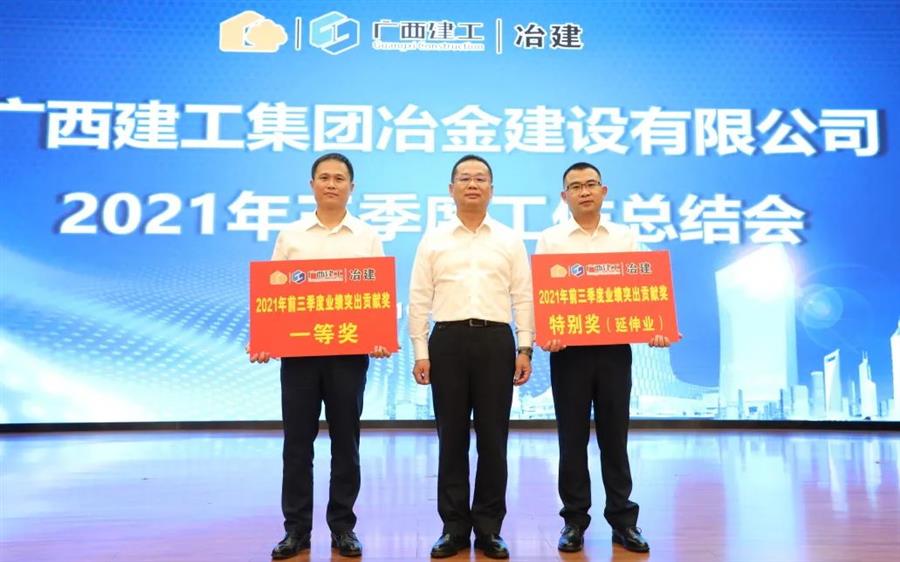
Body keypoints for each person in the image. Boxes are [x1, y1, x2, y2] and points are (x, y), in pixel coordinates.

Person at [247, 153, 392, 559]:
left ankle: (343, 528)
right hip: (300, 357)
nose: (331, 184)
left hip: (348, 355)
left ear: (351, 187)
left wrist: (380, 336)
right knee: (297, 445)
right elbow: (273, 294)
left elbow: (377, 296)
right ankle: (296, 530)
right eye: (324, 177)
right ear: (312, 185)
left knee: (346, 443)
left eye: (339, 178)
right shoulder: (291, 235)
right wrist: (264, 338)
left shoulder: (366, 236)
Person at [535, 162, 674, 554]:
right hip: (568, 354)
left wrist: (656, 327)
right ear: (564, 196)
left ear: (603, 191)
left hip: (614, 351)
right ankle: (574, 521)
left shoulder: (625, 237)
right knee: (572, 440)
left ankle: (623, 521)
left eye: (591, 184)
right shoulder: (551, 240)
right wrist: (546, 332)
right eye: (575, 186)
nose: (584, 191)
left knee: (615, 437)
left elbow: (643, 288)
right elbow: (541, 293)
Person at [408, 155, 534, 560]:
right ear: (451, 189)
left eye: (481, 179)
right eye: (464, 178)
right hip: (447, 341)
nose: (473, 184)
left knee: (494, 440)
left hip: (496, 341)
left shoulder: (509, 240)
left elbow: (523, 297)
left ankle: (490, 528)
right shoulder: (433, 240)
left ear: (492, 190)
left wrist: (525, 347)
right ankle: (454, 528)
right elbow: (418, 299)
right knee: (452, 440)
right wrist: (421, 351)